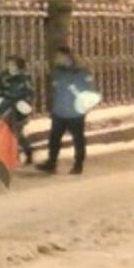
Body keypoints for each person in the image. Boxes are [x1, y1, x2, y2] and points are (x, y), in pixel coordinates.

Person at [37, 46, 95, 176]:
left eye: (59, 56)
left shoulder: (81, 73)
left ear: (67, 57)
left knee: (78, 139)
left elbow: (88, 91)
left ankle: (78, 164)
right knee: (54, 138)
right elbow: (53, 91)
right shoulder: (57, 72)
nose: (57, 59)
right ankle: (51, 162)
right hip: (59, 111)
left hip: (75, 112)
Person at [0, 56, 35, 164]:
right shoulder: (3, 77)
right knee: (9, 132)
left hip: (19, 109)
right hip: (6, 107)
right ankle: (18, 154)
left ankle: (23, 153)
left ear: (19, 67)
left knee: (16, 133)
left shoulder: (24, 78)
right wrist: (0, 101)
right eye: (9, 64)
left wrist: (25, 105)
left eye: (13, 65)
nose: (10, 67)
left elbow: (29, 94)